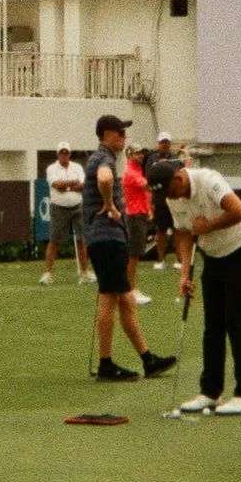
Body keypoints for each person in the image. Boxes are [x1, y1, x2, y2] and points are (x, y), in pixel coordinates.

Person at [158, 158, 241, 416]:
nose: (170, 198)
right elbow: (184, 233)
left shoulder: (208, 180)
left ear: (178, 178)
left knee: (236, 322)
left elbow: (239, 211)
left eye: (170, 191)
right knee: (212, 325)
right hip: (213, 257)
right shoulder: (172, 198)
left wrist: (209, 226)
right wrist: (184, 273)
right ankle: (210, 391)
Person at [84, 115, 177, 382]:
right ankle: (105, 364)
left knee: (125, 299)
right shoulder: (103, 159)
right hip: (106, 237)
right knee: (109, 297)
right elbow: (104, 180)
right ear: (106, 135)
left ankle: (148, 359)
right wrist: (110, 205)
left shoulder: (103, 158)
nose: (124, 137)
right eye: (120, 133)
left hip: (107, 238)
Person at [41, 142, 90, 285]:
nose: (64, 155)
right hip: (59, 207)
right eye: (62, 152)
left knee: (81, 240)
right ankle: (47, 273)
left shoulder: (77, 167)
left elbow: (83, 185)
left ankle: (85, 272)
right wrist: (72, 183)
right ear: (58, 154)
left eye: (66, 152)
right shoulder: (52, 168)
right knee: (54, 241)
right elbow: (57, 185)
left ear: (70, 154)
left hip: (77, 206)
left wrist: (66, 186)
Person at [121, 146, 157, 303]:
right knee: (133, 254)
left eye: (142, 153)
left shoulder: (137, 171)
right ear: (129, 155)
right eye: (137, 153)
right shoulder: (131, 173)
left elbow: (144, 194)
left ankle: (129, 288)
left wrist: (148, 210)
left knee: (134, 254)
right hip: (134, 215)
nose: (141, 155)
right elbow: (147, 186)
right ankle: (130, 290)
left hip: (139, 214)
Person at [147, 131, 182, 271]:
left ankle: (179, 259)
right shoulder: (152, 159)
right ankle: (161, 260)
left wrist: (167, 166)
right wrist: (150, 202)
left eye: (167, 142)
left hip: (173, 197)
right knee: (160, 230)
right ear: (158, 144)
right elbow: (149, 178)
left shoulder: (175, 159)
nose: (164, 145)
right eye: (162, 142)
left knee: (176, 229)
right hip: (158, 197)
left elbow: (179, 176)